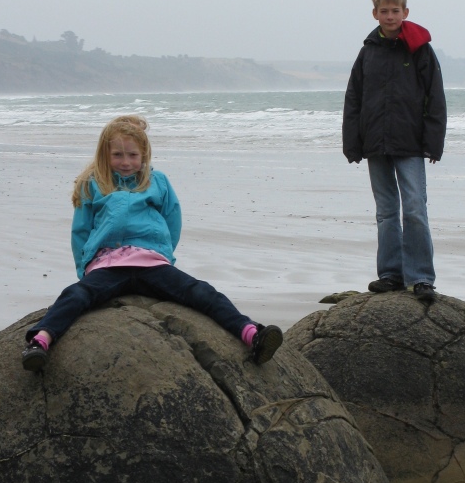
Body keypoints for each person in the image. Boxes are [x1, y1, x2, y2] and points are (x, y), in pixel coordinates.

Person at [21, 115, 283, 371]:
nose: (126, 162)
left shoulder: (157, 182)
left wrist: (163, 255)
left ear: (144, 154)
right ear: (104, 154)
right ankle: (40, 341)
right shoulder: (93, 184)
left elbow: (173, 221)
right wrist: (84, 269)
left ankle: (251, 333)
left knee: (201, 292)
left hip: (151, 262)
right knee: (75, 295)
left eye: (133, 155)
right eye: (118, 155)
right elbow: (80, 231)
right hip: (108, 264)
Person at [343, 0, 447, 301]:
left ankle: (421, 277)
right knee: (386, 211)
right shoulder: (367, 52)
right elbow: (354, 100)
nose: (390, 16)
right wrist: (352, 143)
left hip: (411, 144)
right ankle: (390, 274)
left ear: (406, 12)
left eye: (395, 10)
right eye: (384, 11)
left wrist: (433, 142)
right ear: (375, 14)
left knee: (415, 209)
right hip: (375, 143)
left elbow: (435, 98)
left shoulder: (420, 50)